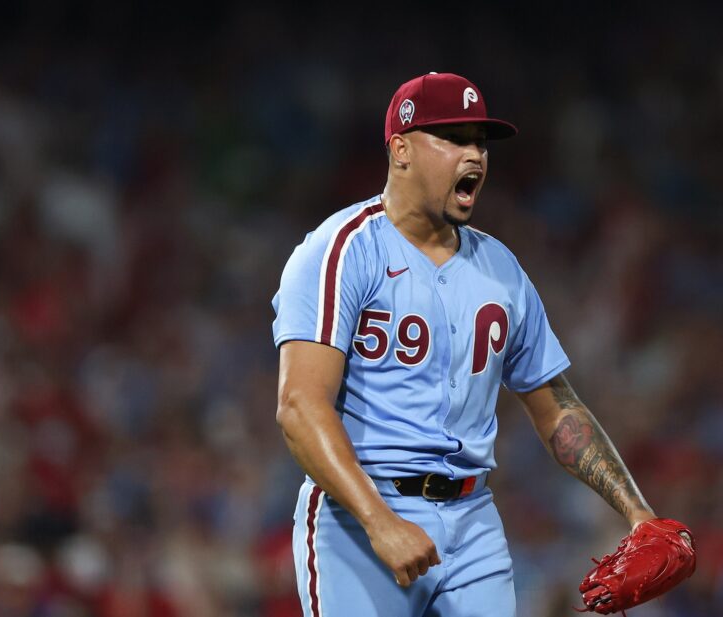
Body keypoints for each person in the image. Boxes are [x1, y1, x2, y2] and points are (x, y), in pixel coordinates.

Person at [271, 72, 676, 617]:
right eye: (454, 138)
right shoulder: (342, 251)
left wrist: (638, 514)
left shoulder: (500, 270)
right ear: (401, 150)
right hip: (356, 518)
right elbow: (300, 405)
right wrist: (379, 520)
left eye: (480, 142)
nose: (475, 156)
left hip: (472, 519)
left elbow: (556, 408)